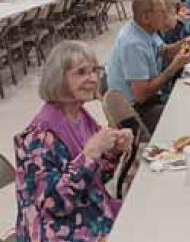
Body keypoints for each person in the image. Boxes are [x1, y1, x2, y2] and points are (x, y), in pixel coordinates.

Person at [14, 41, 133, 241]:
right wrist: (89, 154)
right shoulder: (39, 137)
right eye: (81, 73)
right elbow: (54, 205)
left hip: (90, 213)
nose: (93, 78)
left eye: (95, 71)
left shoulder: (80, 116)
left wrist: (113, 151)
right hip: (59, 232)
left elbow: (96, 178)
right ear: (58, 79)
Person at [107, 0, 190, 134]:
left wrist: (184, 43)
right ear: (146, 17)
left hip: (148, 101)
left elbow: (164, 51)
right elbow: (142, 96)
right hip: (135, 113)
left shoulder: (145, 30)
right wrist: (173, 68)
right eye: (161, 12)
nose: (166, 16)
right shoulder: (133, 44)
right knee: (185, 115)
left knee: (189, 98)